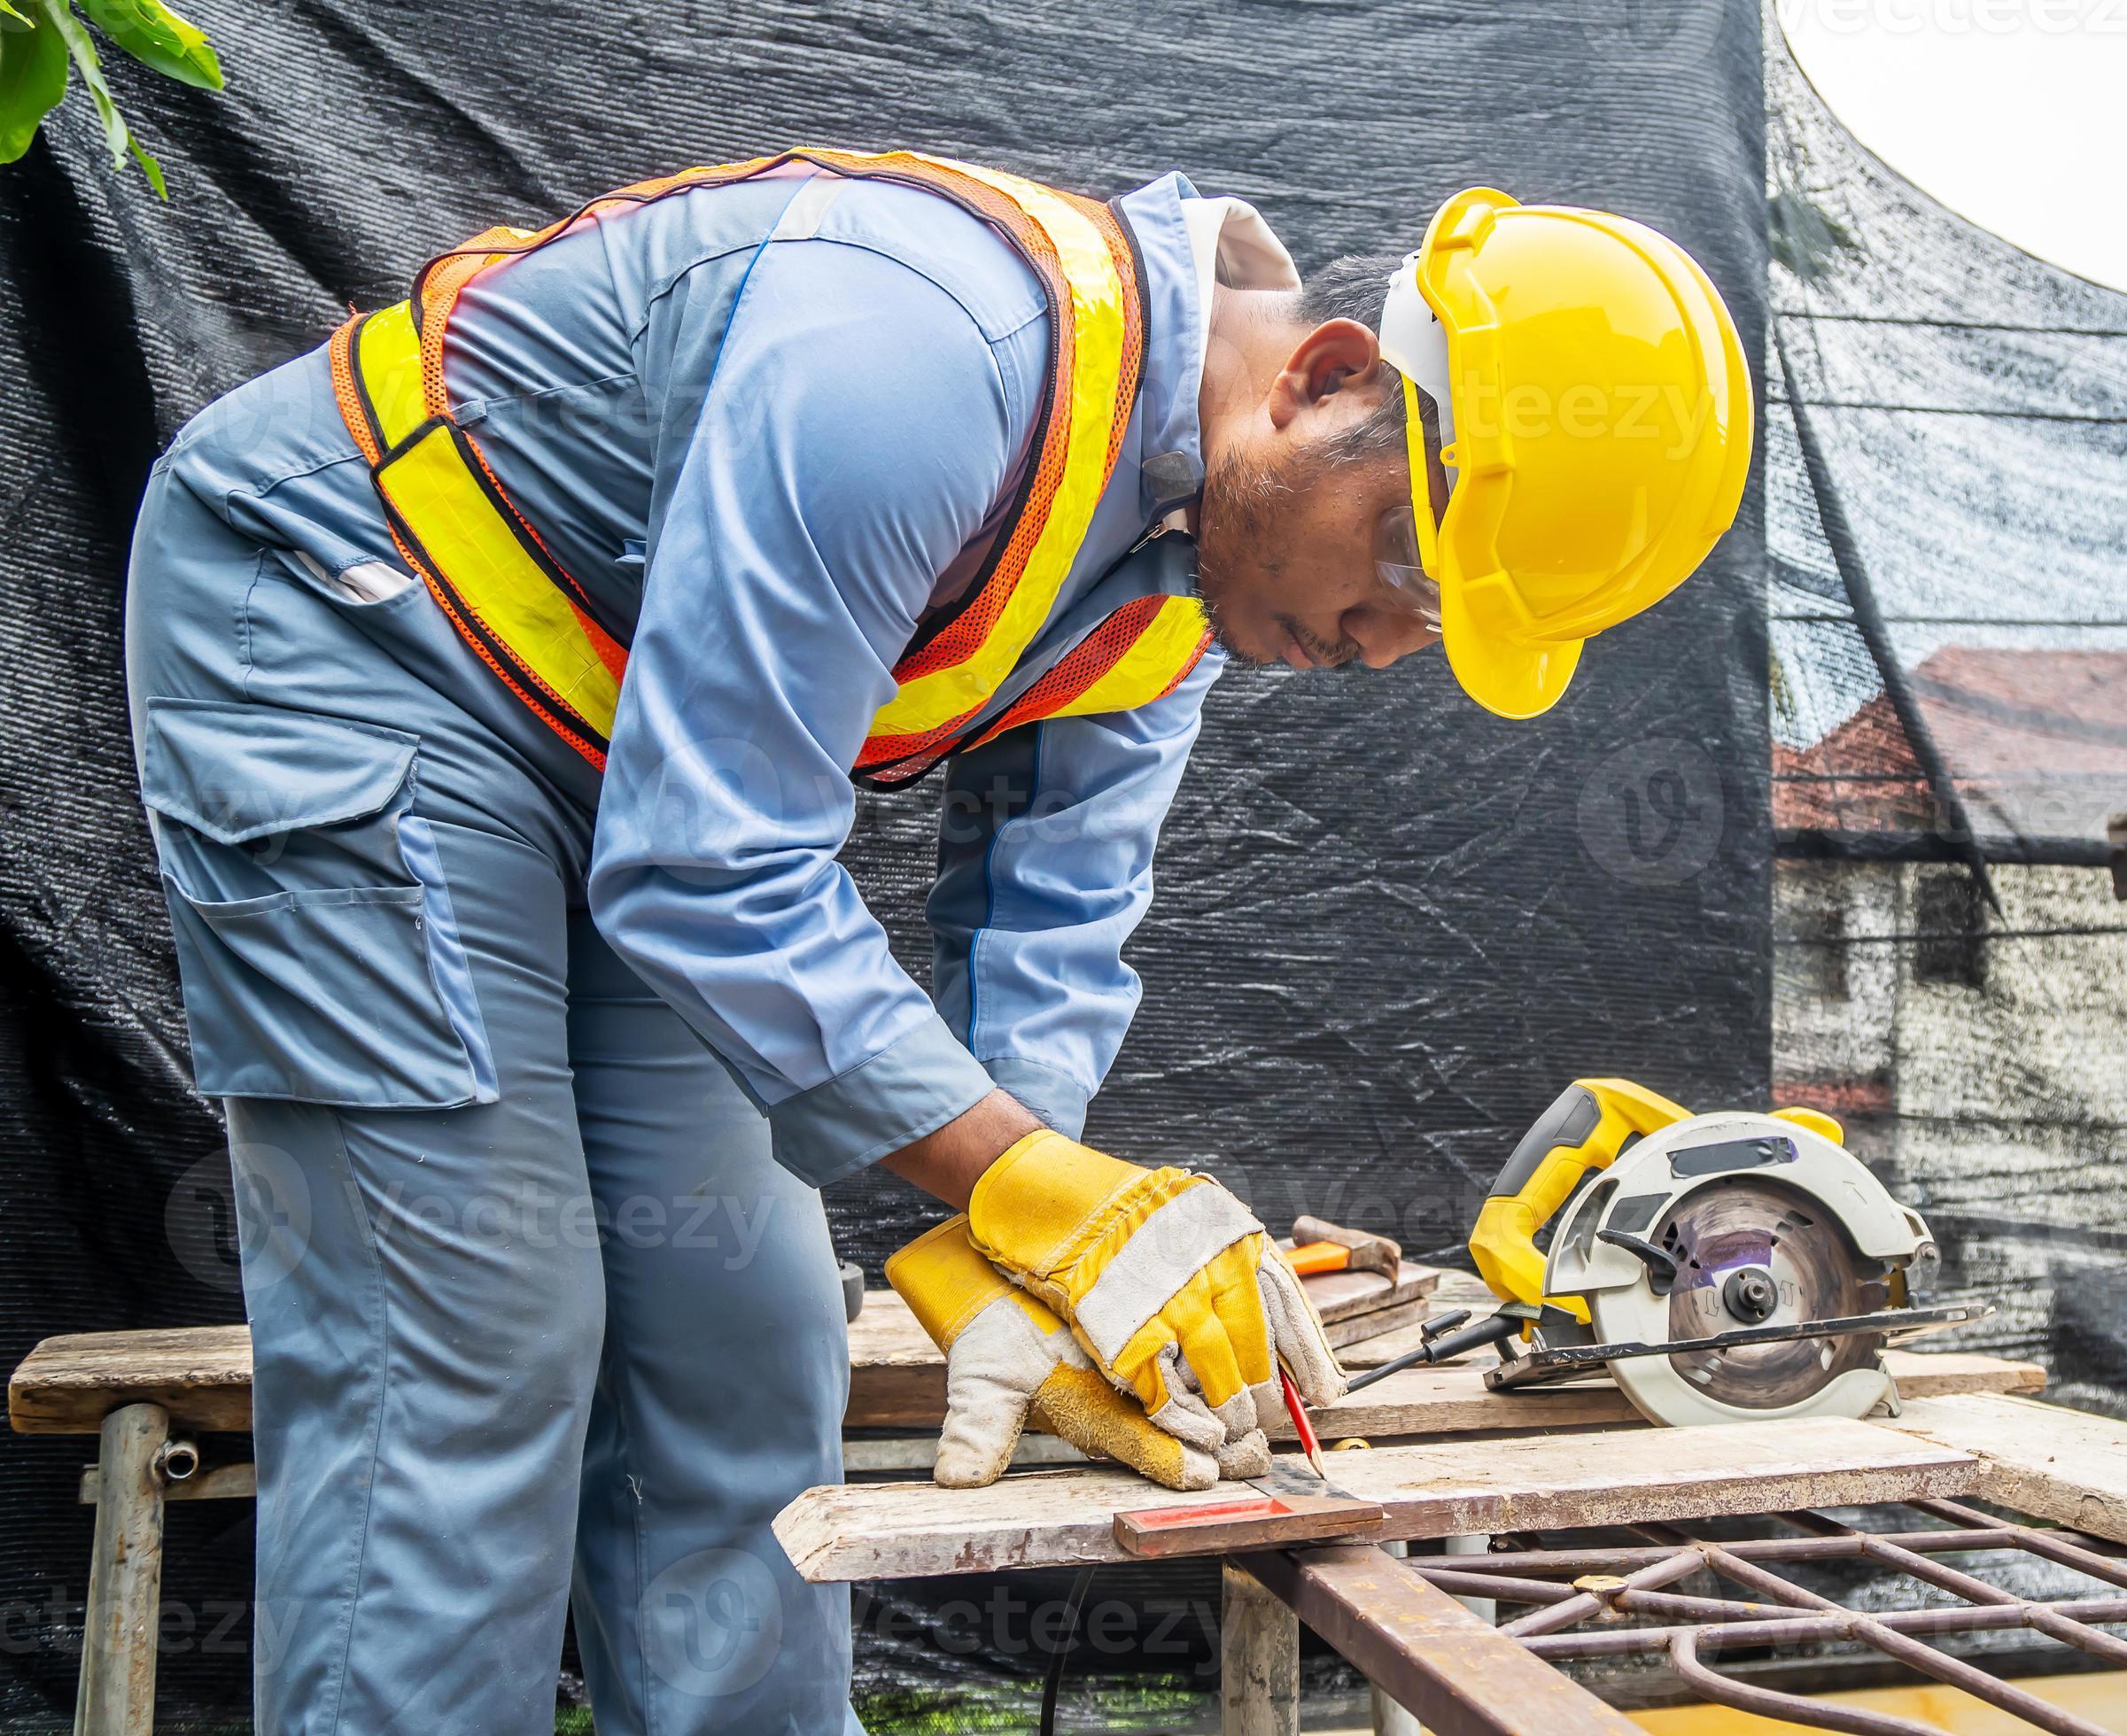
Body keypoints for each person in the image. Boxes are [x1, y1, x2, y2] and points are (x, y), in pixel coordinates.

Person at [123, 146, 1751, 1733]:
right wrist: (1018, 1180)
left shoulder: (1181, 580)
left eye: (1449, 623)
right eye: (1411, 561)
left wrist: (1029, 1239)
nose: (1389, 644)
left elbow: (1049, 921)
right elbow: (711, 866)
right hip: (361, 633)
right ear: (1321, 381)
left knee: (749, 1345)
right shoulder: (920, 356)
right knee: (476, 1342)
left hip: (629, 754)